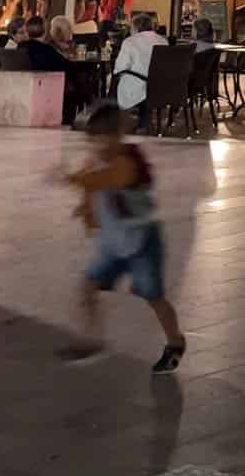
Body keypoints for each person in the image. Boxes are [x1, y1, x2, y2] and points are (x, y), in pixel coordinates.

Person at [59, 99, 185, 372]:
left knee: (153, 296)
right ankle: (91, 339)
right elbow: (90, 183)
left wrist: (68, 178)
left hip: (142, 242)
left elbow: (102, 180)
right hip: (112, 243)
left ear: (117, 136)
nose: (96, 148)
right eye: (91, 142)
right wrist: (84, 207)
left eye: (102, 140)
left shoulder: (129, 162)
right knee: (87, 287)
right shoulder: (96, 160)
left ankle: (175, 342)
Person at [112, 12, 161, 131]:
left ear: (136, 27)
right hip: (159, 87)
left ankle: (116, 122)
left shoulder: (130, 42)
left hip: (139, 86)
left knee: (115, 82)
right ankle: (143, 121)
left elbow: (120, 68)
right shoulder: (163, 41)